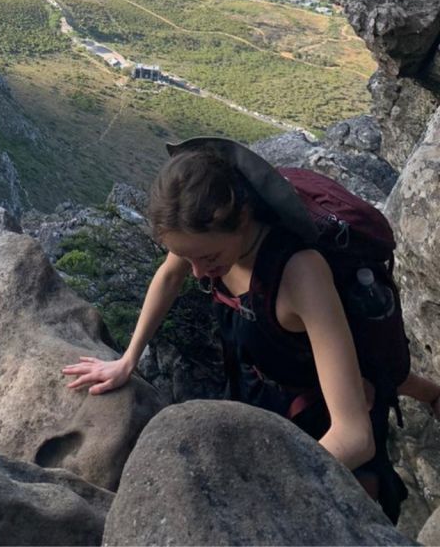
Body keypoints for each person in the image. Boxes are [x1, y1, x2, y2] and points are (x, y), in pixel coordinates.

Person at [62, 143, 440, 519]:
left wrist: (265, 491)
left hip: (315, 401)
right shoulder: (204, 237)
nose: (197, 273)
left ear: (242, 218)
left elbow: (354, 436)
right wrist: (129, 359)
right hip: (265, 374)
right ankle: (431, 393)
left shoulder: (300, 275)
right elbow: (169, 274)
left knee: (357, 472)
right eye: (188, 256)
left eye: (207, 259)